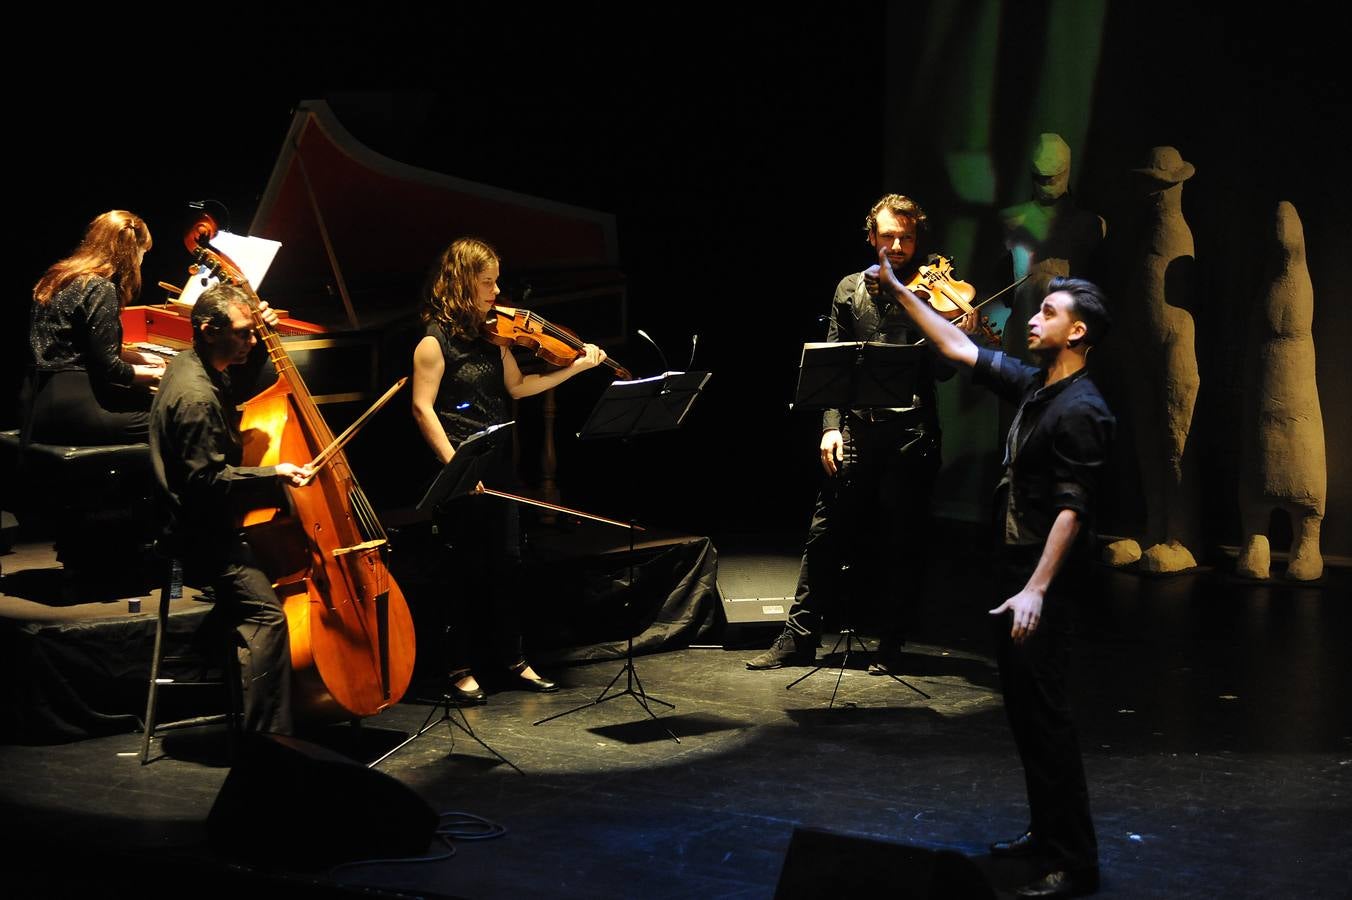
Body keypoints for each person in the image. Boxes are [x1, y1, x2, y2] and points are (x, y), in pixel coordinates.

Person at [877, 249, 1114, 899]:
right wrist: (900, 291)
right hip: (1014, 568)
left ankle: (1076, 861)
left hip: (1045, 581)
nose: (1032, 319)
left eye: (1048, 312)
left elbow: (1072, 508)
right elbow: (958, 347)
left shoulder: (1083, 409)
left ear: (1077, 331)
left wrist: (1035, 589)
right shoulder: (1038, 386)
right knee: (1025, 717)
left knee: (1049, 720)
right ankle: (1045, 835)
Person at [747, 194, 960, 672]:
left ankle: (891, 643)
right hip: (858, 428)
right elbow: (834, 364)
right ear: (871, 236)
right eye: (889, 236)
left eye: (907, 237)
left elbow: (945, 373)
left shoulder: (932, 295)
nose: (898, 246)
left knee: (901, 540)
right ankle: (799, 637)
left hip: (912, 433)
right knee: (823, 533)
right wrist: (830, 427)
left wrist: (953, 330)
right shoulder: (849, 287)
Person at [411, 237, 605, 704]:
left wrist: (576, 368)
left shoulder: (493, 337)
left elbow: (518, 387)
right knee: (460, 571)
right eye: (488, 282)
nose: (497, 291)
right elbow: (422, 408)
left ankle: (513, 659)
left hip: (498, 464)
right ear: (463, 282)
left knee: (507, 565)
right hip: (459, 467)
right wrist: (456, 467)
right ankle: (459, 667)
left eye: (496, 281)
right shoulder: (433, 342)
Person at [149, 283, 310, 735]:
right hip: (198, 535)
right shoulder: (196, 398)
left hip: (208, 520)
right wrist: (274, 473)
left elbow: (238, 386)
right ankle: (268, 741)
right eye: (243, 333)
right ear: (209, 330)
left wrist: (262, 341)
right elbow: (205, 482)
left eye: (253, 332)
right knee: (267, 617)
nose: (251, 341)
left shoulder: (193, 362)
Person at [24, 210, 166, 445]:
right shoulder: (101, 288)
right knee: (167, 420)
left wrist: (134, 356)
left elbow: (72, 346)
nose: (142, 260)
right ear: (131, 251)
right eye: (143, 252)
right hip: (73, 410)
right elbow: (110, 369)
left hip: (33, 407)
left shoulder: (58, 278)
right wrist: (158, 375)